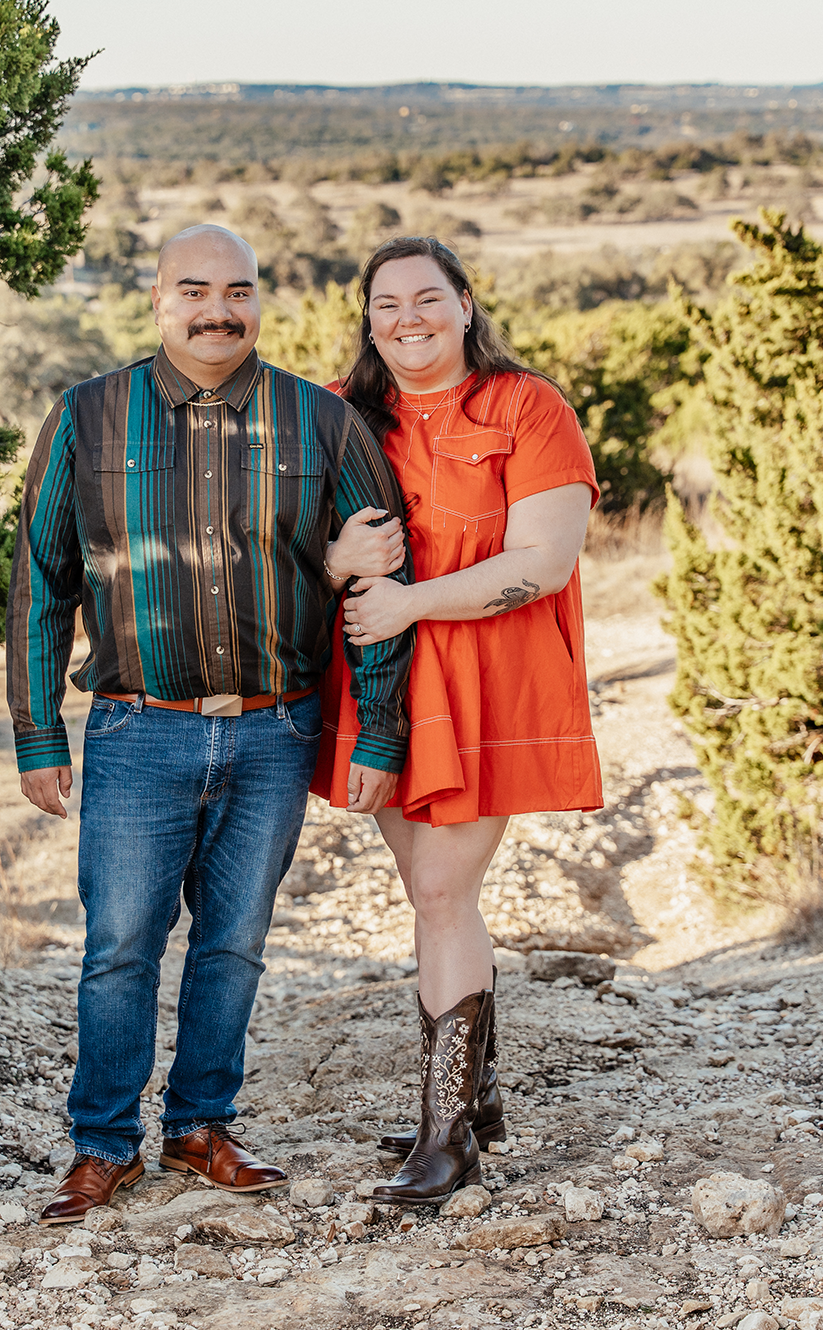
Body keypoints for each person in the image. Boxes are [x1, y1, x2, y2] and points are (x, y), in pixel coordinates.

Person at [9, 224, 414, 1224]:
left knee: (233, 942)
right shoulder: (86, 418)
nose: (217, 310)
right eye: (193, 289)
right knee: (119, 946)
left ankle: (199, 1126)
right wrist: (35, 729)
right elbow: (37, 581)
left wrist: (379, 730)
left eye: (238, 290)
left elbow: (379, 577)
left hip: (275, 733)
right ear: (157, 299)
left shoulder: (321, 423)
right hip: (136, 730)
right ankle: (103, 1145)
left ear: (260, 301)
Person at [311, 235, 602, 1206]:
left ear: (465, 305)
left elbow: (542, 561)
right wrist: (338, 566)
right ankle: (470, 1101)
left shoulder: (527, 407)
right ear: (367, 319)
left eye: (426, 299)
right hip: (382, 683)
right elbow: (296, 548)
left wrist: (409, 602)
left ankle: (447, 1138)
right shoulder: (345, 417)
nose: (407, 319)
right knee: (432, 894)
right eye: (385, 304)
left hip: (488, 678)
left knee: (439, 889)